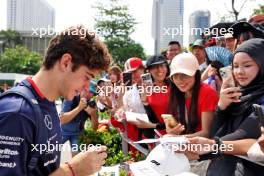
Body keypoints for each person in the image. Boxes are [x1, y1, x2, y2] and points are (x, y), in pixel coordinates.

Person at [0, 26, 111, 176]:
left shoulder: (46, 102)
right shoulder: (18, 113)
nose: (87, 87)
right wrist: (72, 170)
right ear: (66, 62)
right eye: (87, 77)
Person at [182, 38, 264, 175]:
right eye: (236, 66)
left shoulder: (261, 100)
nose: (240, 72)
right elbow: (215, 134)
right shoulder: (239, 96)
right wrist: (221, 107)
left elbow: (242, 135)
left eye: (247, 65)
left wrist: (207, 148)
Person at [168, 53, 219, 137]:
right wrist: (171, 131)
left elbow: (207, 133)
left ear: (196, 74)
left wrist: (176, 138)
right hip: (184, 145)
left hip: (205, 147)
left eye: (185, 75)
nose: (180, 80)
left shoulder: (207, 92)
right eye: (175, 76)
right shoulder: (176, 93)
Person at [60, 88, 98, 157]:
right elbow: (62, 120)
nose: (88, 94)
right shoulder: (71, 98)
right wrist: (79, 108)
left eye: (91, 92)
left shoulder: (91, 104)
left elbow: (95, 128)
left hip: (77, 133)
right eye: (87, 91)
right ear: (81, 90)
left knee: (76, 157)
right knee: (51, 152)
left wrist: (93, 115)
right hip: (62, 131)